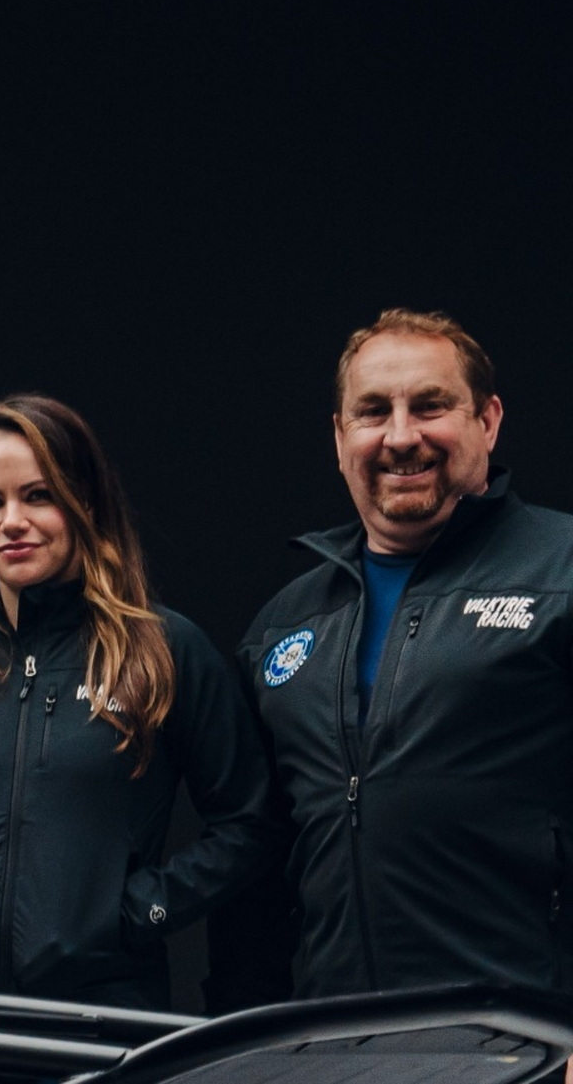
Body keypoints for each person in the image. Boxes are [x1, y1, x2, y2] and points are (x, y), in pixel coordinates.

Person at [0, 395, 271, 1082]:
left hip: (98, 1028)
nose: (11, 521)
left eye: (38, 495)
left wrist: (135, 913)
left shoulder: (163, 651)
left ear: (85, 503)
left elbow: (248, 822)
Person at [238, 308, 573, 998]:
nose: (400, 436)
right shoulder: (283, 626)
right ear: (340, 438)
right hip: (332, 1037)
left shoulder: (561, 572)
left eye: (429, 405)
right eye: (372, 412)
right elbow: (257, 867)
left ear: (488, 420)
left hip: (526, 1032)